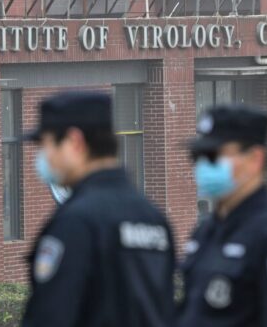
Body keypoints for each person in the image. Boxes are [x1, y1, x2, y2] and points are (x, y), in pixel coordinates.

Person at [21, 91, 176, 327]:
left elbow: (51, 314)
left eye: (46, 145)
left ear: (74, 142)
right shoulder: (152, 216)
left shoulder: (76, 221)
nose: (43, 157)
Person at [178, 106, 267, 327]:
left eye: (214, 156)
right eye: (198, 156)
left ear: (255, 159)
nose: (202, 166)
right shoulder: (206, 231)